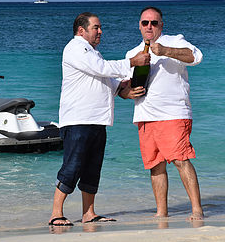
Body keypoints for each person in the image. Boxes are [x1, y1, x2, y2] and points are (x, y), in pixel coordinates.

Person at [49, 12, 150, 227]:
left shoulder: (94, 53)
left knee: (92, 168)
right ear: (81, 30)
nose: (100, 31)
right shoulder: (75, 48)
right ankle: (56, 213)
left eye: (100, 27)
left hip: (97, 119)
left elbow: (105, 80)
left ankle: (89, 213)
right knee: (72, 167)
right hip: (78, 119)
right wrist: (132, 61)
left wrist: (123, 88)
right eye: (96, 27)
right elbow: (101, 69)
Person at [121, 6, 204, 221]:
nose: (149, 26)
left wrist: (165, 51)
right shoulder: (133, 53)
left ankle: (196, 210)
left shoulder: (175, 41)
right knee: (155, 165)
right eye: (145, 23)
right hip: (145, 115)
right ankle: (161, 213)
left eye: (154, 23)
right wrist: (127, 93)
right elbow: (121, 85)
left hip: (173, 113)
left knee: (180, 160)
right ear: (139, 25)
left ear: (161, 25)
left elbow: (196, 56)